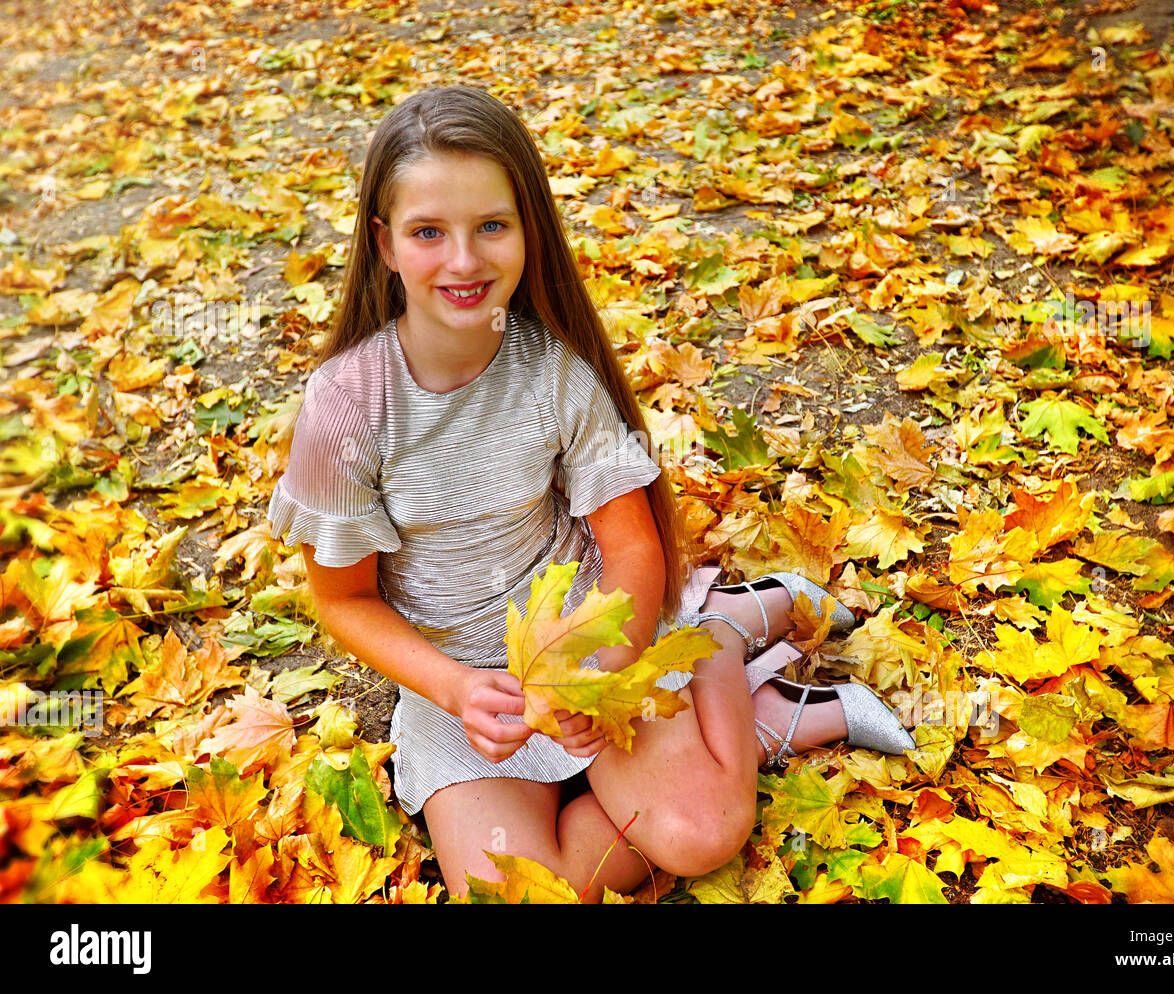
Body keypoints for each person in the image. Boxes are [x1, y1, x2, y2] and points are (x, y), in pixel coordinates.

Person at [266, 85, 914, 902]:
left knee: (696, 834)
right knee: (524, 893)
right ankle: (734, 683)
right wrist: (456, 688)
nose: (463, 261)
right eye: (430, 232)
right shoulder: (346, 407)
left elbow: (632, 546)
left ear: (528, 232)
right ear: (385, 244)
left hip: (586, 638)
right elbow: (347, 601)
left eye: (491, 227)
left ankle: (728, 658)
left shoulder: (551, 375)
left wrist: (598, 671)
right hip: (462, 687)